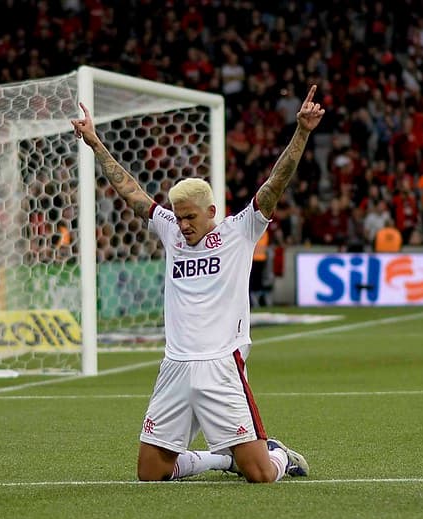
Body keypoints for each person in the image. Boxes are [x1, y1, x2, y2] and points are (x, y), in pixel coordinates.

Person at [70, 85, 325, 483]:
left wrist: (303, 133)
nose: (183, 224)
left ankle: (276, 454)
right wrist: (94, 143)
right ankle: (222, 460)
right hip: (175, 366)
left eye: (190, 217)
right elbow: (131, 191)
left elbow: (276, 182)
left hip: (221, 364)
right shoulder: (170, 229)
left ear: (211, 211)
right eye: (178, 216)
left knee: (260, 475)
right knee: (150, 474)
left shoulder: (241, 230)